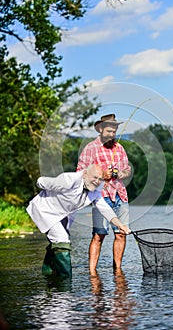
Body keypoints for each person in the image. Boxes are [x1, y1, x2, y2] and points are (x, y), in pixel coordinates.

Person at [26, 164, 130, 278]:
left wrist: (120, 225)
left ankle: (49, 273)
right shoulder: (68, 180)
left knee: (58, 242)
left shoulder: (96, 189)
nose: (97, 181)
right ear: (85, 174)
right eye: (94, 177)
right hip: (46, 211)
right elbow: (43, 182)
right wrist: (40, 183)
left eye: (100, 179)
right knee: (62, 240)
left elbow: (105, 208)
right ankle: (65, 282)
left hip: (64, 214)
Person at [76, 114, 131, 274]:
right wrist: (100, 174)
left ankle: (118, 270)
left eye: (114, 131)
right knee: (99, 235)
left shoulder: (119, 148)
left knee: (121, 234)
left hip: (120, 195)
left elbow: (127, 170)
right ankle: (92, 272)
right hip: (101, 197)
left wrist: (119, 173)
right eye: (109, 131)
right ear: (100, 129)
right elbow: (80, 171)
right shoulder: (90, 148)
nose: (112, 134)